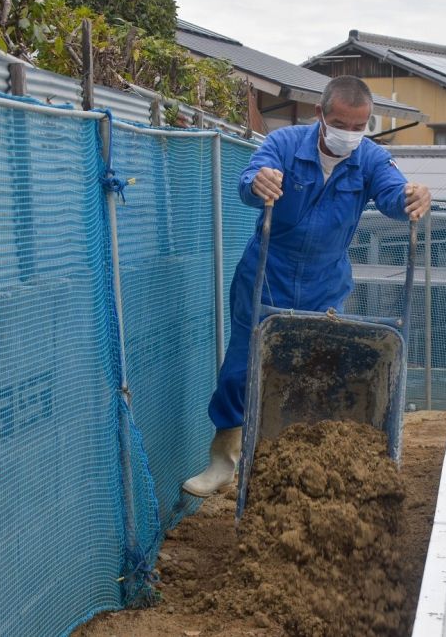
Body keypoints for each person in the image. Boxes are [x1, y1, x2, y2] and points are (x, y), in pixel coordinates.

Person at [182, 75, 431, 497]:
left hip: (324, 285)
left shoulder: (370, 159)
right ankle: (224, 458)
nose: (349, 134)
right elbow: (249, 180)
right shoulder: (284, 145)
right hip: (266, 276)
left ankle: (309, 462)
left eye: (359, 126)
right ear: (320, 115)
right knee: (242, 367)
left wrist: (411, 196)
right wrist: (257, 182)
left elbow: (392, 194)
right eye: (340, 123)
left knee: (317, 370)